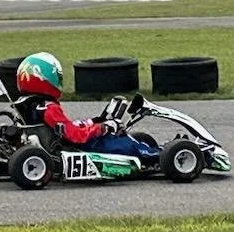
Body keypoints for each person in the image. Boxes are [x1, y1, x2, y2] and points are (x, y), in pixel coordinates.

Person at [14, 52, 160, 163]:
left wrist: (95, 121)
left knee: (121, 137)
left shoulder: (27, 104)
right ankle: (159, 155)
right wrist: (103, 128)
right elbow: (73, 135)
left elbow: (66, 127)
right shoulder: (49, 108)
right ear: (43, 78)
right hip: (78, 148)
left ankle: (151, 149)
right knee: (126, 146)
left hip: (58, 143)